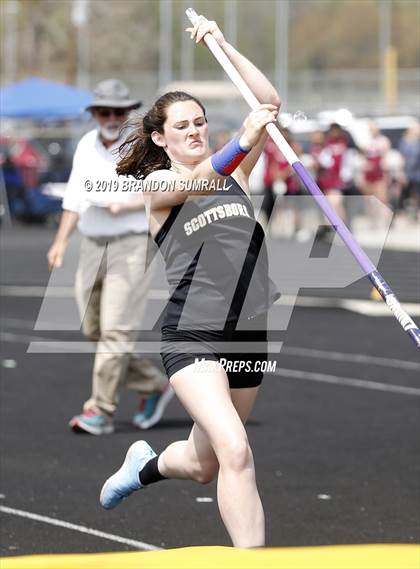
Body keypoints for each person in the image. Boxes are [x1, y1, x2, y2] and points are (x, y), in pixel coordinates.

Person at [99, 17, 280, 548]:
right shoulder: (161, 182)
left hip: (249, 331)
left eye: (200, 122)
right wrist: (239, 143)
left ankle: (145, 466)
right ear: (160, 137)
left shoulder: (237, 176)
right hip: (192, 333)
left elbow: (265, 103)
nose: (195, 131)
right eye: (182, 126)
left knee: (203, 464)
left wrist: (223, 43)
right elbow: (198, 182)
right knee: (236, 452)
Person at [47, 79, 172, 435]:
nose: (112, 117)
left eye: (119, 111)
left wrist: (128, 203)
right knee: (93, 329)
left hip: (133, 243)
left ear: (129, 113)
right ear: (95, 114)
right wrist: (59, 243)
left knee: (115, 331)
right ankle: (152, 384)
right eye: (105, 111)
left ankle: (100, 410)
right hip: (91, 243)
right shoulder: (87, 145)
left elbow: (168, 189)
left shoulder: (146, 146)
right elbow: (74, 197)